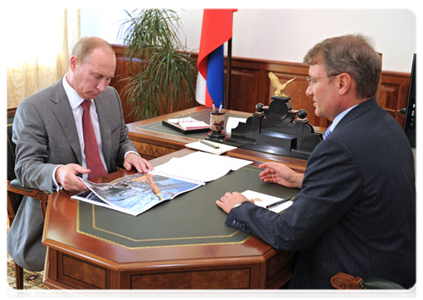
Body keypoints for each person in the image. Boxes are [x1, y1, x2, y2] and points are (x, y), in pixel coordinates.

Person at [216, 34, 420, 297]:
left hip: (346, 283)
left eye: (313, 80)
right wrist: (301, 179)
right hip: (395, 268)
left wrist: (241, 208)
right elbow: (363, 180)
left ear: (343, 83)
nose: (308, 90)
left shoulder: (342, 146)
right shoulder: (385, 124)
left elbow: (288, 233)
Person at [6, 37, 153, 271]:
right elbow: (25, 167)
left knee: (148, 245)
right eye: (97, 77)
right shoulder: (34, 108)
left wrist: (128, 154)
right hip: (61, 210)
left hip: (110, 198)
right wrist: (58, 173)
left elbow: (122, 138)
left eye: (108, 79)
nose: (102, 87)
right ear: (73, 63)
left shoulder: (109, 97)